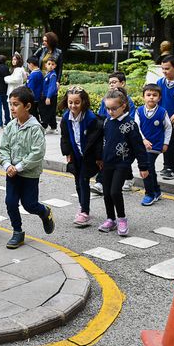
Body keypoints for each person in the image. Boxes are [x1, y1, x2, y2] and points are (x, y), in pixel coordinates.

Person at [0, 86, 54, 249]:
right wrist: (8, 165)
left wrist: (19, 167)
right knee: (10, 202)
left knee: (30, 205)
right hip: (12, 173)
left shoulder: (36, 129)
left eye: (15, 104)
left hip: (29, 174)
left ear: (28, 106)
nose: (12, 108)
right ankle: (17, 231)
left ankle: (44, 212)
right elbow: (4, 148)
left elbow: (37, 153)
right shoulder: (10, 126)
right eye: (10, 104)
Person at [99, 88, 150, 236]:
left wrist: (143, 166)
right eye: (107, 108)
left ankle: (121, 219)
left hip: (122, 164)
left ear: (123, 106)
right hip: (107, 163)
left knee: (115, 191)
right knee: (107, 193)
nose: (110, 111)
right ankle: (110, 219)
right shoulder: (107, 122)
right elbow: (104, 142)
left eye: (114, 108)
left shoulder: (131, 125)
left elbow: (139, 148)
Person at [59, 86, 103, 227]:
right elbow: (65, 137)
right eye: (70, 102)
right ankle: (82, 205)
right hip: (76, 154)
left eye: (77, 102)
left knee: (84, 180)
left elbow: (97, 141)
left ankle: (84, 211)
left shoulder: (91, 119)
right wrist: (67, 153)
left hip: (89, 156)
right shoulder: (66, 118)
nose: (73, 105)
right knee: (78, 181)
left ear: (83, 102)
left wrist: (99, 157)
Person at [90, 71, 136, 195]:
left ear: (123, 83)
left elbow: (130, 119)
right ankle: (101, 182)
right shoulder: (105, 100)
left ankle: (126, 178)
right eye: (110, 83)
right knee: (108, 156)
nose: (111, 85)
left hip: (122, 134)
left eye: (114, 82)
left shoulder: (128, 101)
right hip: (108, 132)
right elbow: (101, 115)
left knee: (123, 156)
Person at [135, 83, 172, 206]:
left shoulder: (162, 112)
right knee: (150, 168)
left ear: (159, 98)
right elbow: (137, 128)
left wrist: (166, 143)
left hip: (155, 145)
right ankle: (156, 190)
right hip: (142, 145)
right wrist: (143, 140)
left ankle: (149, 194)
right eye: (148, 95)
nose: (151, 97)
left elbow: (168, 128)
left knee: (146, 166)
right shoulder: (139, 111)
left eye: (154, 95)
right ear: (143, 97)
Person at [39, 57, 59, 131]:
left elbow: (51, 87)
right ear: (45, 65)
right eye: (49, 64)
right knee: (51, 112)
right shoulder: (48, 74)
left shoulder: (53, 75)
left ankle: (44, 126)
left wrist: (48, 97)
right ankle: (53, 126)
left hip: (50, 97)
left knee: (47, 112)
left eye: (52, 64)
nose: (50, 66)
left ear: (55, 66)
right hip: (46, 95)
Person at [25, 56, 43, 120]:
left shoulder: (33, 75)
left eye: (28, 64)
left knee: (33, 113)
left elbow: (30, 88)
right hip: (38, 96)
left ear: (31, 64)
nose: (28, 66)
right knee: (35, 112)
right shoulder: (39, 72)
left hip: (33, 97)